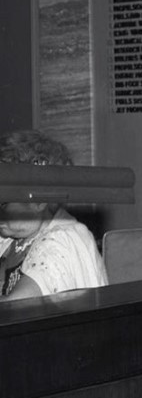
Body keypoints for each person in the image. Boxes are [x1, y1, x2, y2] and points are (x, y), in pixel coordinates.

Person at [0, 129, 108, 300]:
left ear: (39, 201)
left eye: (3, 203)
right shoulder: (13, 236)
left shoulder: (61, 240)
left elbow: (15, 306)